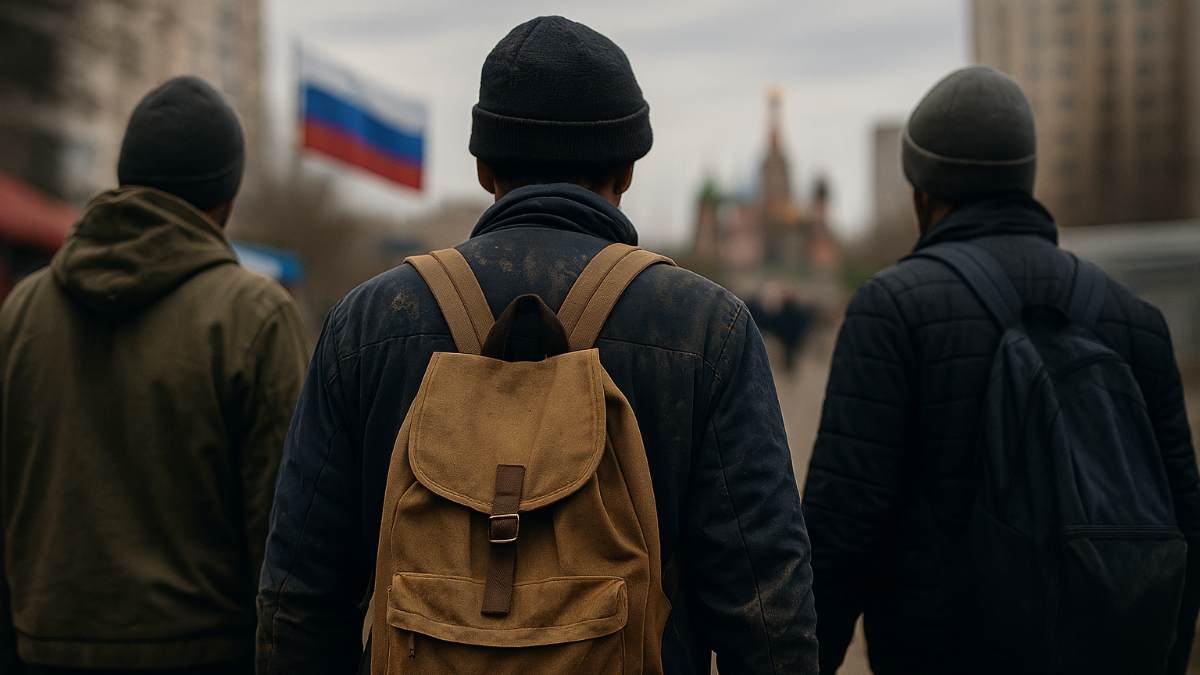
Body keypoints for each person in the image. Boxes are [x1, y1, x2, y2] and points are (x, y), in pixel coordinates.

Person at [256, 16, 817, 675]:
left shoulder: (368, 324)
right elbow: (769, 613)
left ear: (482, 165)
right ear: (629, 168)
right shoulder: (704, 329)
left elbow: (298, 600)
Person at [803, 66, 1200, 674]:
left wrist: (806, 660)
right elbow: (1183, 519)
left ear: (921, 189)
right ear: (1026, 176)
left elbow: (842, 526)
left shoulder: (893, 309)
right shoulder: (1136, 319)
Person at [0, 76, 309, 674]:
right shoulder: (255, 316)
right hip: (204, 653)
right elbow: (283, 540)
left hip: (37, 650)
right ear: (227, 198)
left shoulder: (22, 311)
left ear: (125, 178)